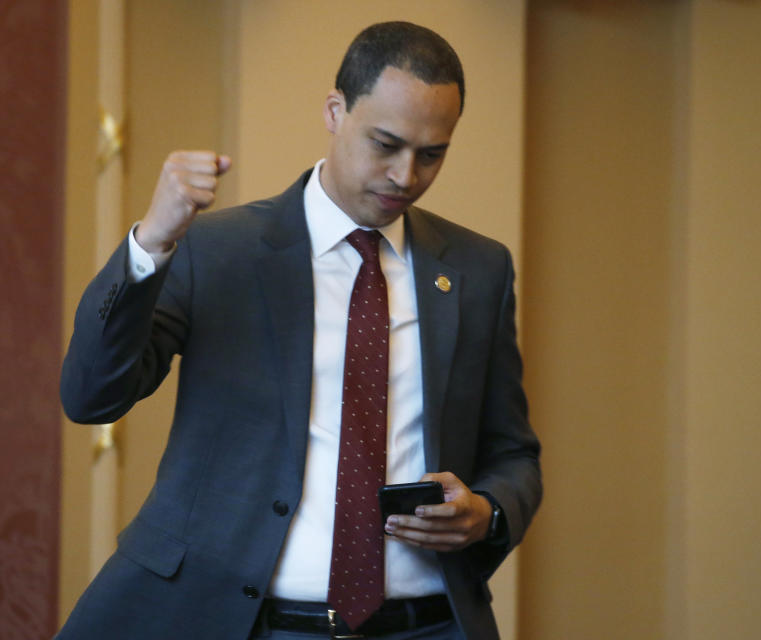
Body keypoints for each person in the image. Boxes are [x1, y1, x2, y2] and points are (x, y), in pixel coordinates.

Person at [58, 21, 541, 640]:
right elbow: (91, 396)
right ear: (335, 111)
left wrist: (487, 511)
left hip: (427, 625)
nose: (404, 175)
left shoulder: (479, 269)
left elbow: (513, 453)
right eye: (385, 143)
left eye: (431, 154)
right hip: (244, 623)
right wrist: (151, 242)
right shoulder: (217, 250)